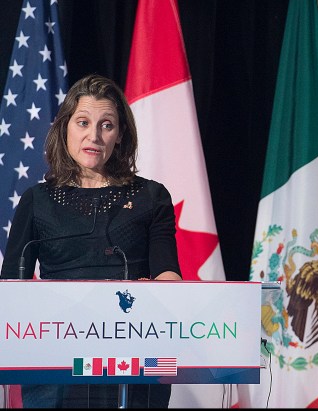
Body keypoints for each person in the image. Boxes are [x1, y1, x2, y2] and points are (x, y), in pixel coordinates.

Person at [0, 74, 182, 408]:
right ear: (65, 127)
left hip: (136, 359)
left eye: (107, 125)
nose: (93, 135)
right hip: (55, 364)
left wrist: (161, 292)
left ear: (121, 134)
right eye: (83, 122)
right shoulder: (37, 200)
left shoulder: (151, 197)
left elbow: (168, 274)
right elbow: (11, 289)